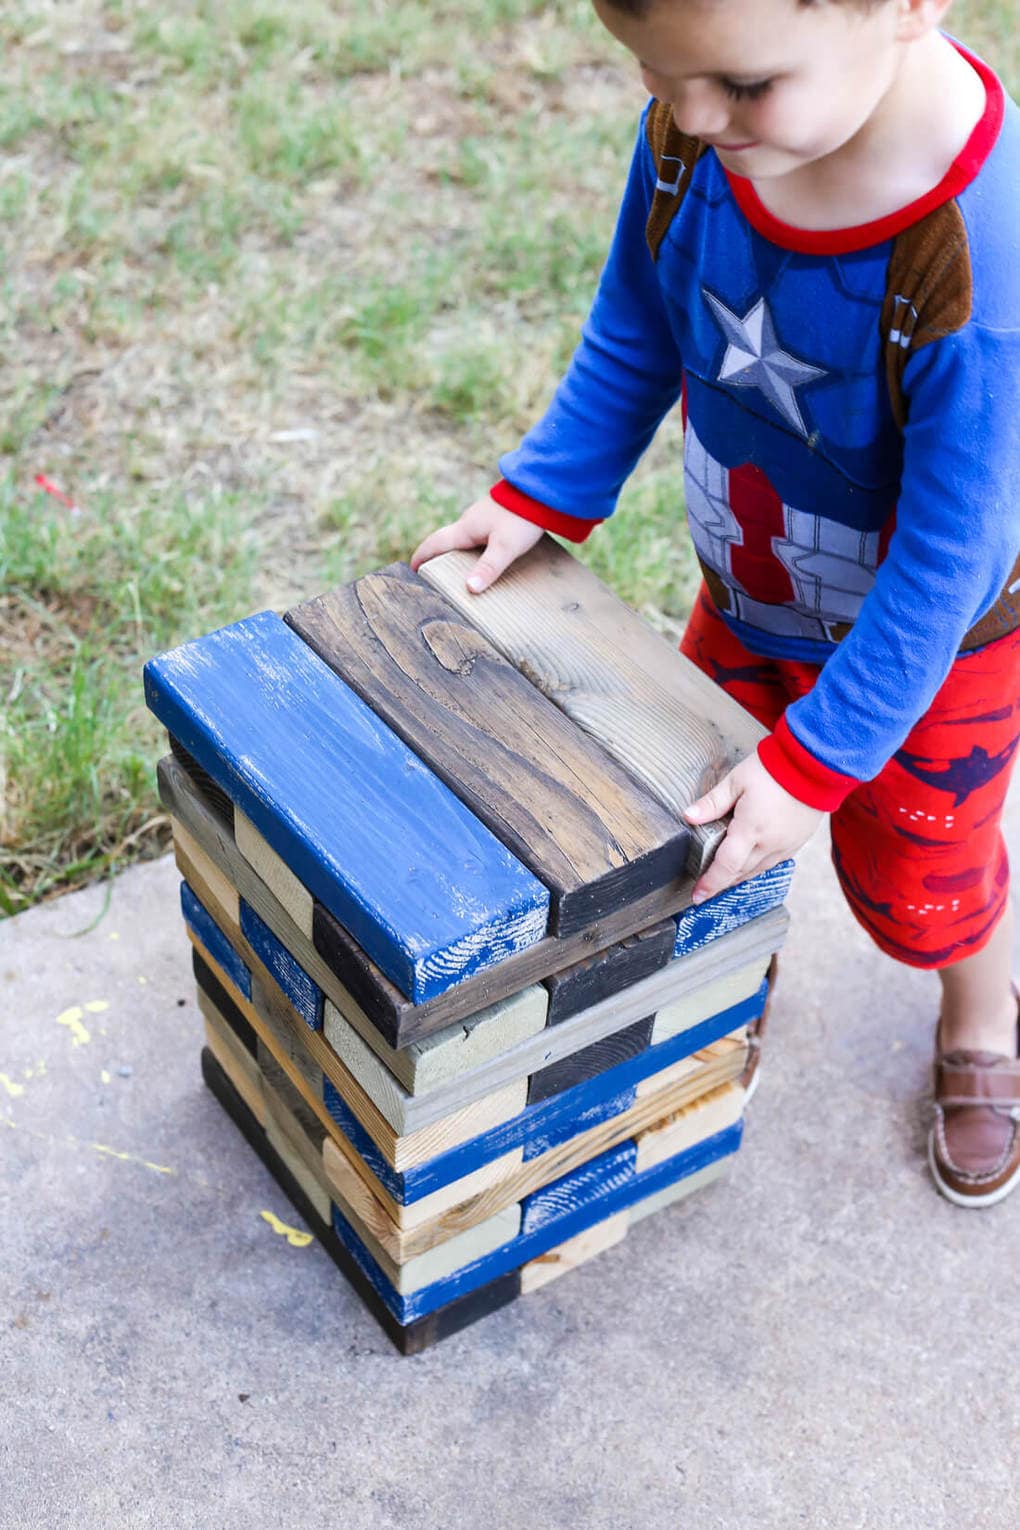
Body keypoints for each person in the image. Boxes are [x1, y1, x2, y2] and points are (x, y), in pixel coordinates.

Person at [410, 0, 1020, 1206]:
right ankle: (723, 984)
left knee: (927, 884)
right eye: (651, 66)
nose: (685, 112)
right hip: (749, 598)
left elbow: (950, 558)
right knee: (706, 846)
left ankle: (983, 1011)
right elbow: (639, 320)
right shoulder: (700, 134)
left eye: (739, 84)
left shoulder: (979, 255)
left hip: (930, 663)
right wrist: (547, 486)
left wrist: (819, 761)